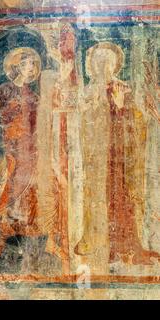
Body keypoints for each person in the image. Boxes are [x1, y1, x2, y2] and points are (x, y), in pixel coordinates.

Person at [75, 42, 160, 266]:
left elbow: (137, 122)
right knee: (102, 198)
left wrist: (122, 107)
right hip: (99, 157)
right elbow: (84, 123)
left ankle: (129, 245)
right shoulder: (90, 91)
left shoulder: (123, 88)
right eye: (100, 62)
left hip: (122, 155)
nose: (105, 66)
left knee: (124, 197)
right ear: (93, 65)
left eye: (109, 62)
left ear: (115, 65)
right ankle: (105, 245)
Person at [0, 47, 45, 256]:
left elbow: (38, 122)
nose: (30, 68)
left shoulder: (33, 95)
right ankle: (3, 214)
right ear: (17, 67)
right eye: (25, 64)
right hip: (13, 140)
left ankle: (23, 218)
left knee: (29, 178)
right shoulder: (6, 89)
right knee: (14, 174)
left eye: (33, 64)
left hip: (30, 143)